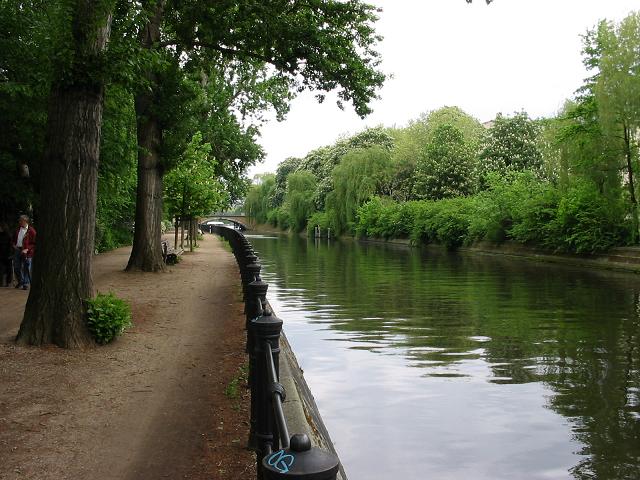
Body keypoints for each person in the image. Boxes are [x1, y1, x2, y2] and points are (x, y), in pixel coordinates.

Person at [12, 215, 36, 290]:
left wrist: (27, 249)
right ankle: (21, 281)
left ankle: (25, 283)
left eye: (21, 221)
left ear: (25, 221)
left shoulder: (31, 231)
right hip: (17, 250)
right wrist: (13, 245)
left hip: (27, 252)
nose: (19, 222)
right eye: (19, 220)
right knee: (16, 267)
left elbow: (34, 243)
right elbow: (13, 239)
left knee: (26, 267)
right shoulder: (17, 229)